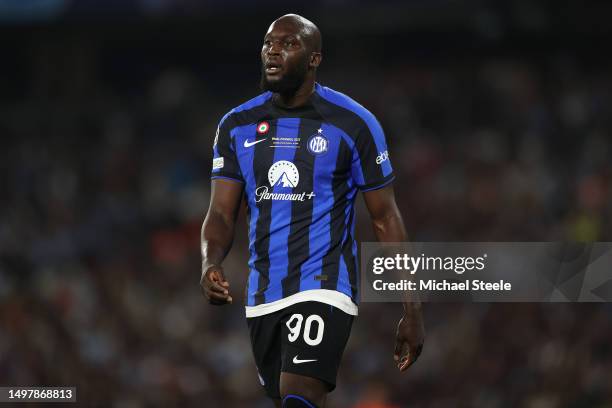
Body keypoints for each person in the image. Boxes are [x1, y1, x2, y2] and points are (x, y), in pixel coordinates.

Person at [200, 14, 424, 408]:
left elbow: (385, 216)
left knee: (299, 393)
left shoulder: (354, 124)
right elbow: (220, 213)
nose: (274, 51)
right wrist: (209, 262)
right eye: (269, 43)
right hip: (264, 293)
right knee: (291, 399)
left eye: (289, 44)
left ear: (315, 59)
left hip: (325, 284)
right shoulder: (236, 125)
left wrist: (412, 307)